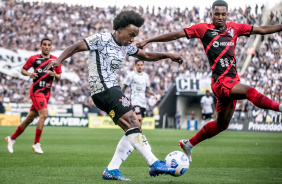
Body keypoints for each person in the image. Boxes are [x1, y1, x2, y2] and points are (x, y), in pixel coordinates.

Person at [137, 0, 282, 163]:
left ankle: (189, 144)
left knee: (222, 125)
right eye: (217, 14)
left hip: (232, 81)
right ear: (211, 14)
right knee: (249, 91)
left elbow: (262, 29)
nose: (220, 17)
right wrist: (148, 41)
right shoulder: (203, 29)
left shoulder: (235, 28)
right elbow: (176, 34)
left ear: (227, 15)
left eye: (223, 14)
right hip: (221, 81)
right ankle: (279, 107)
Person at [44, 10, 183, 181]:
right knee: (133, 121)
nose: (133, 39)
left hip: (110, 89)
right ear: (119, 29)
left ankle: (112, 169)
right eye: (131, 34)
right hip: (103, 89)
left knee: (134, 127)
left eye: (135, 35)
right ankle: (153, 163)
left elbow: (145, 55)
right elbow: (75, 47)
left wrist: (168, 55)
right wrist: (58, 60)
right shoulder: (101, 39)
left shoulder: (126, 46)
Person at [5, 38, 62, 154]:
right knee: (44, 114)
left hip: (46, 93)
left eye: (49, 45)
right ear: (41, 46)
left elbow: (59, 76)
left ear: (51, 47)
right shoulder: (34, 58)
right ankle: (36, 143)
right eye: (44, 45)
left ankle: (12, 138)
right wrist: (29, 74)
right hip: (37, 91)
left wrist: (54, 74)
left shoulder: (55, 60)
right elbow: (23, 70)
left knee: (29, 119)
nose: (47, 47)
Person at [121, 60, 158, 124]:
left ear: (143, 66)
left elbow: (147, 89)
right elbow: (124, 86)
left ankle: (135, 133)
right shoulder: (131, 75)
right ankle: (135, 133)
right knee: (138, 119)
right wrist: (119, 95)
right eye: (138, 65)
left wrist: (154, 95)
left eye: (141, 65)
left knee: (140, 123)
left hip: (143, 102)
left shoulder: (145, 76)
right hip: (135, 101)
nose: (140, 66)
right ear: (135, 66)